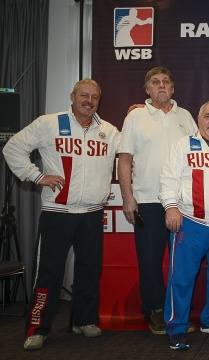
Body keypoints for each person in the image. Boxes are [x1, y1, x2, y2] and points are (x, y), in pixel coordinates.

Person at [3, 79, 120, 350]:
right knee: (49, 273)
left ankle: (85, 320)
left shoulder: (110, 132)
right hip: (57, 213)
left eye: (94, 97)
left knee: (89, 271)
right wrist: (37, 175)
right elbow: (12, 148)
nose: (89, 101)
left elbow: (131, 150)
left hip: (92, 214)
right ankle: (37, 328)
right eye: (83, 95)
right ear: (72, 97)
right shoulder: (49, 123)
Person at [118, 67, 198, 335]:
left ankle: (178, 313)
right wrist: (127, 198)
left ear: (173, 89)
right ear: (147, 89)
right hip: (148, 200)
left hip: (182, 202)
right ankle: (154, 311)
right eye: (155, 82)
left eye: (166, 82)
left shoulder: (185, 117)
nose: (161, 86)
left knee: (183, 263)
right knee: (150, 262)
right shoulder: (135, 117)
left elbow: (200, 154)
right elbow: (125, 159)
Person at [159, 101, 209, 350]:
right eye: (208, 116)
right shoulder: (183, 145)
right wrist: (171, 207)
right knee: (182, 279)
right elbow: (168, 177)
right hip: (191, 223)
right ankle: (176, 327)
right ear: (199, 119)